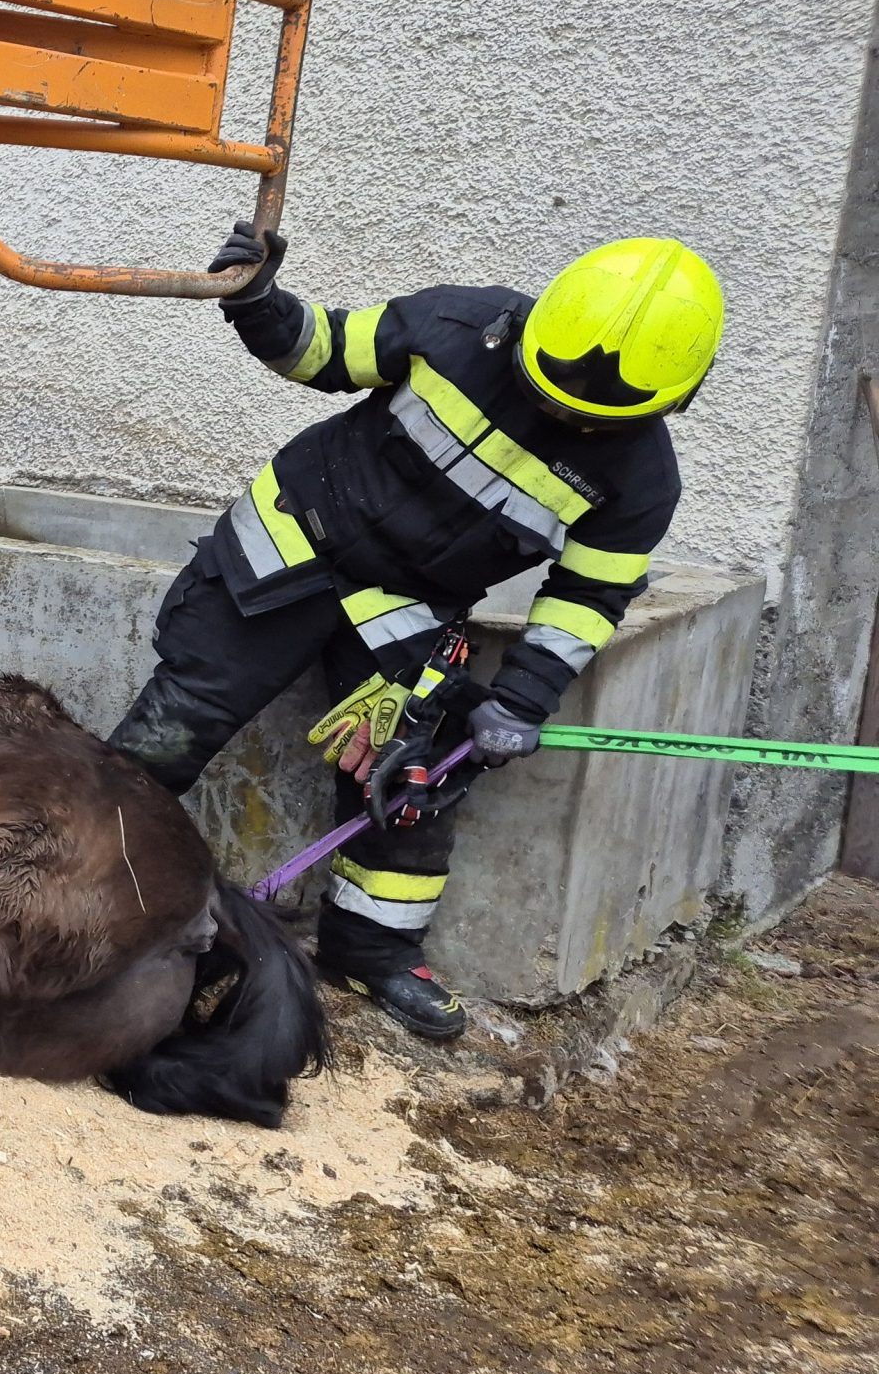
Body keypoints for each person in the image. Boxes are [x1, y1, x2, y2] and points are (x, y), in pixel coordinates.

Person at [109, 227, 725, 1040]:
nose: (562, 422)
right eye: (546, 395)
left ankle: (371, 950)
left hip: (405, 609)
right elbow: (322, 350)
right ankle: (68, 883)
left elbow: (587, 597)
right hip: (292, 544)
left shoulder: (642, 480)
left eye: (592, 423)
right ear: (534, 327)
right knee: (173, 728)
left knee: (410, 784)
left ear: (672, 400)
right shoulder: (456, 327)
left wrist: (522, 699)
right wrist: (255, 300)